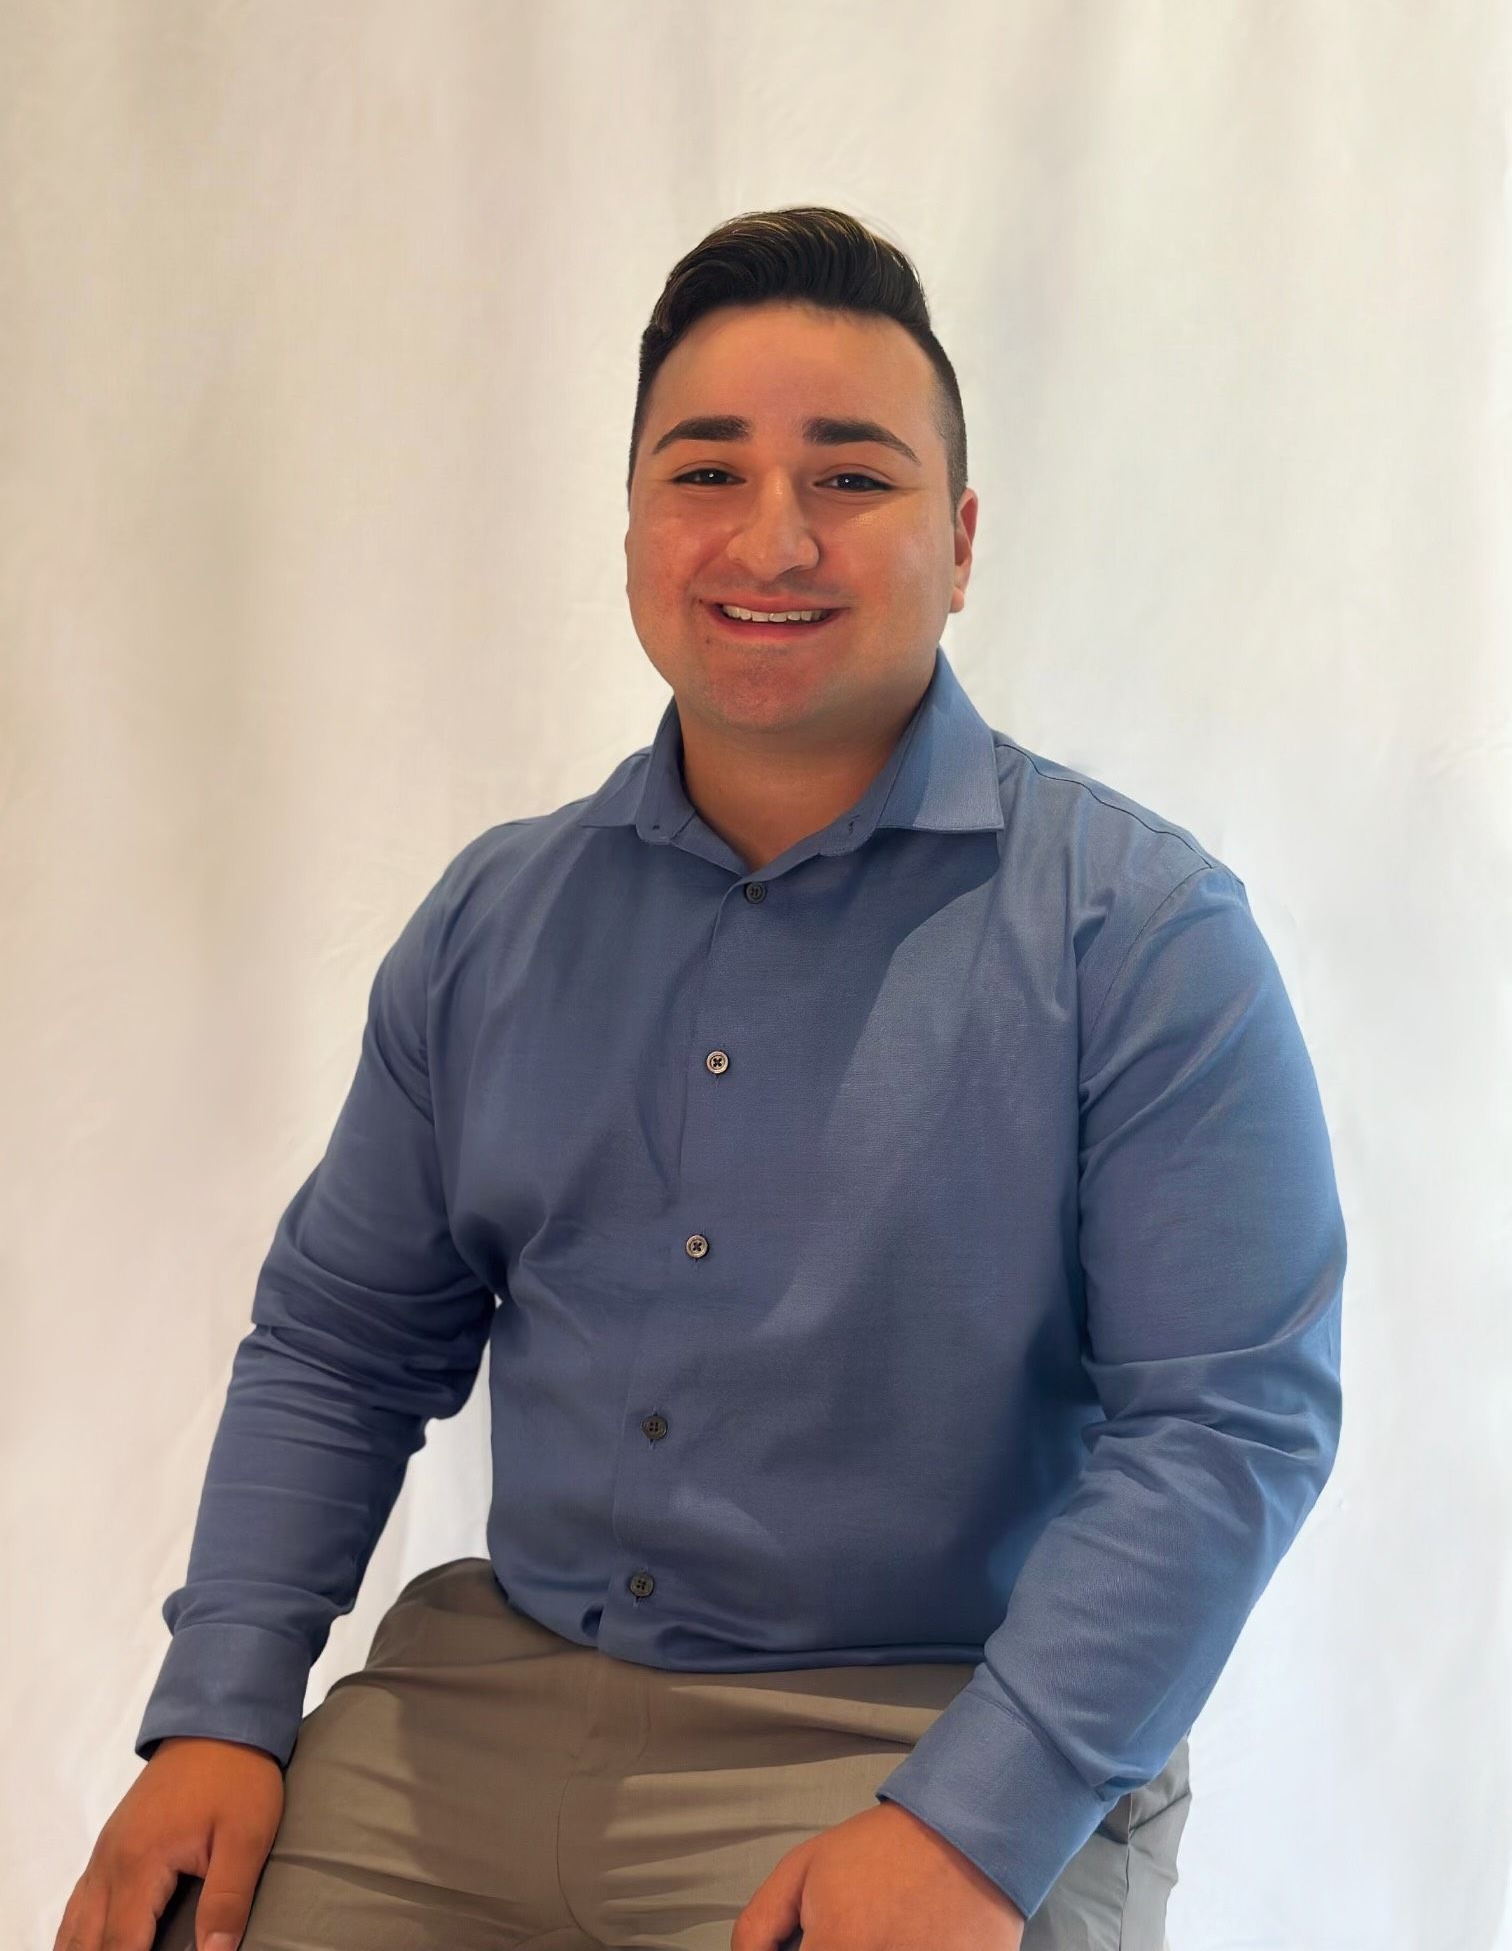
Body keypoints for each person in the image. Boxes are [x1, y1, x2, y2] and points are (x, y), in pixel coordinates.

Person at [55, 206, 1345, 1951]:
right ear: (639, 524)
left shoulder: (1141, 933)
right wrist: (218, 1706)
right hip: (486, 1709)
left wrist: (977, 1827)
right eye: (706, 473)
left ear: (961, 545)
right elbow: (345, 1342)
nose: (772, 537)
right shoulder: (493, 922)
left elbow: (1227, 1424)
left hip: (921, 1728)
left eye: (853, 479)